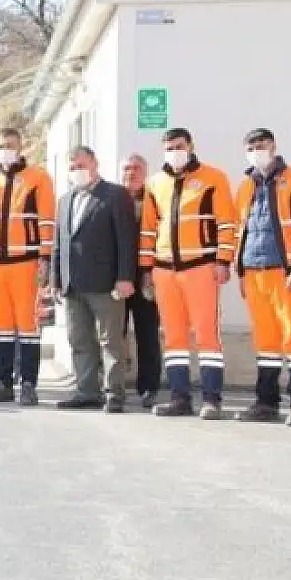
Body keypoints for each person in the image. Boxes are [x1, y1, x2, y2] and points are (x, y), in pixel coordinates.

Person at [139, 127, 236, 420]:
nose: (174, 152)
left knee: (207, 334)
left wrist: (223, 261)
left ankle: (211, 400)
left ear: (191, 146)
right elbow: (148, 230)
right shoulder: (155, 183)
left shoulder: (214, 178)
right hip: (164, 269)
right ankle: (179, 398)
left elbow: (226, 224)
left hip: (200, 267)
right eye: (169, 148)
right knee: (173, 337)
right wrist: (146, 269)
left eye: (179, 146)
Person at [232, 129, 291, 426]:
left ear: (274, 146)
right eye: (251, 147)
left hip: (287, 272)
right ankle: (266, 403)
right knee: (266, 341)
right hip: (254, 272)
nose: (256, 151)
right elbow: (240, 232)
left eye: (261, 145)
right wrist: (240, 271)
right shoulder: (245, 186)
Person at [49, 147, 138, 412]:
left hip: (106, 283)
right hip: (73, 284)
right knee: (79, 339)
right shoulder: (65, 200)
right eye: (72, 167)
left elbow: (126, 239)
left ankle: (114, 393)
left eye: (82, 165)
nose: (77, 171)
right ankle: (87, 390)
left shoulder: (115, 195)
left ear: (95, 164)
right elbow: (59, 243)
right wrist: (55, 278)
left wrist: (125, 277)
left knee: (110, 341)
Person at [0, 127, 56, 406]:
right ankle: (3, 383)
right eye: (0, 146)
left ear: (21, 147)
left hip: (26, 262)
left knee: (28, 325)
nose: (5, 150)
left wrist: (45, 257)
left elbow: (47, 219)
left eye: (10, 145)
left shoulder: (38, 177)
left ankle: (28, 384)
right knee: (2, 326)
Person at [120, 153, 161, 408]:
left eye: (136, 168)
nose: (131, 173)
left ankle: (149, 387)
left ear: (145, 172)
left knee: (148, 334)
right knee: (115, 335)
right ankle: (114, 386)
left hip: (147, 276)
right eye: (127, 168)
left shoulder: (156, 197)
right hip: (117, 278)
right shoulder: (113, 199)